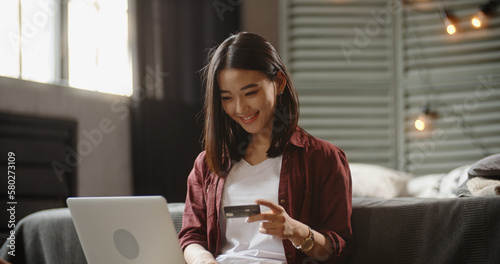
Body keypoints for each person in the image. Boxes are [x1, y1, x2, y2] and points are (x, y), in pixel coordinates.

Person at [178, 32, 353, 264]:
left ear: (278, 83)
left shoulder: (323, 158)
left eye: (250, 93)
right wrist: (203, 260)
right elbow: (192, 236)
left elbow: (337, 253)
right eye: (227, 98)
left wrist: (298, 232)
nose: (240, 108)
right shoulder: (208, 163)